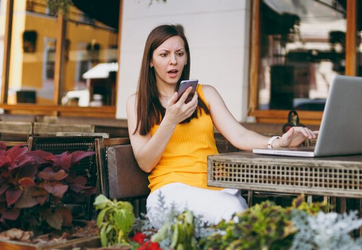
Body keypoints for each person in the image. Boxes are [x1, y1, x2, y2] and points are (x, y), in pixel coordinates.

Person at [126, 24, 316, 226]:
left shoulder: (205, 94)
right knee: (234, 213)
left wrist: (277, 143)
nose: (173, 61)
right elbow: (145, 162)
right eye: (164, 54)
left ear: (186, 58)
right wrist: (170, 120)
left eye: (179, 53)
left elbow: (239, 135)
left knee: (248, 219)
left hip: (217, 189)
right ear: (150, 61)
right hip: (169, 194)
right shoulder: (137, 102)